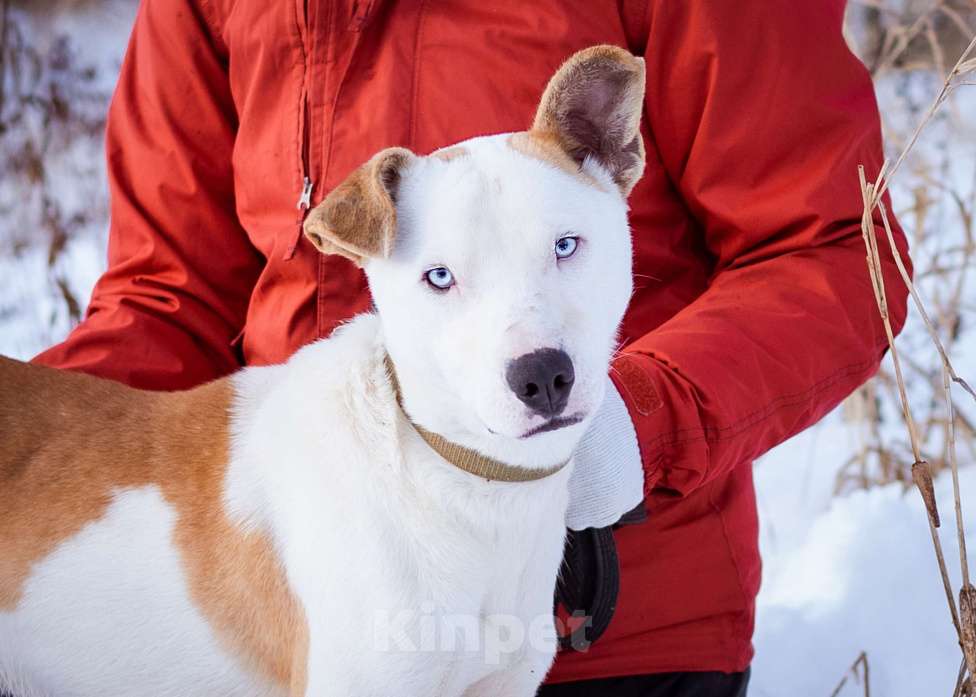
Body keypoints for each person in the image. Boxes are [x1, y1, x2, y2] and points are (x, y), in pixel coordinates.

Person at [31, 1, 909, 695]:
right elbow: (168, 297)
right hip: (281, 630)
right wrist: (25, 461)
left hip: (618, 626)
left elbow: (832, 244)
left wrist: (639, 424)